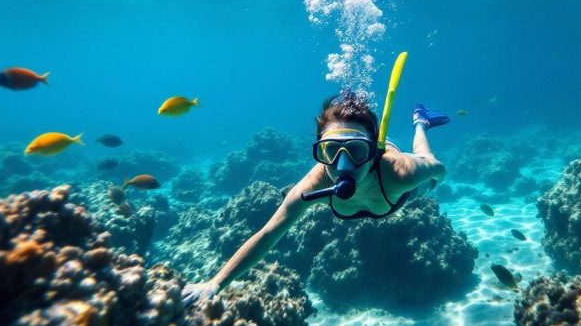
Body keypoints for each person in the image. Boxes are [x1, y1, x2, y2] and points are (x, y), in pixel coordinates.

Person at [182, 90, 448, 305]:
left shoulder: (400, 172)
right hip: (383, 183)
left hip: (402, 193)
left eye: (356, 150)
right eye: (331, 150)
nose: (343, 164)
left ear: (373, 150)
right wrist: (214, 283)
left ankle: (420, 122)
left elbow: (437, 166)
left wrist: (435, 180)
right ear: (320, 152)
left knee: (430, 178)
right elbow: (267, 235)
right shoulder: (314, 183)